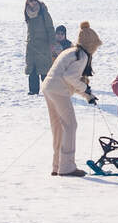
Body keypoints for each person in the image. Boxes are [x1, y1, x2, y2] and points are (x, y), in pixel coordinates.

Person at [42, 21, 100, 177]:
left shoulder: (70, 51)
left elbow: (71, 79)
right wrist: (85, 89)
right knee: (70, 125)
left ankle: (57, 166)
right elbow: (70, 77)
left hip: (48, 87)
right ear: (91, 44)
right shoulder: (81, 55)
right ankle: (67, 167)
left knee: (58, 128)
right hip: (59, 90)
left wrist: (88, 96)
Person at [23, 0, 56, 98]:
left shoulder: (43, 12)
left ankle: (49, 90)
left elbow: (50, 27)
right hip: (31, 46)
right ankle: (33, 91)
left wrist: (52, 42)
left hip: (43, 45)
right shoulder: (27, 12)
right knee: (32, 68)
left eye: (35, 0)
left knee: (44, 69)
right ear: (27, 2)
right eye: (31, 0)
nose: (33, 2)